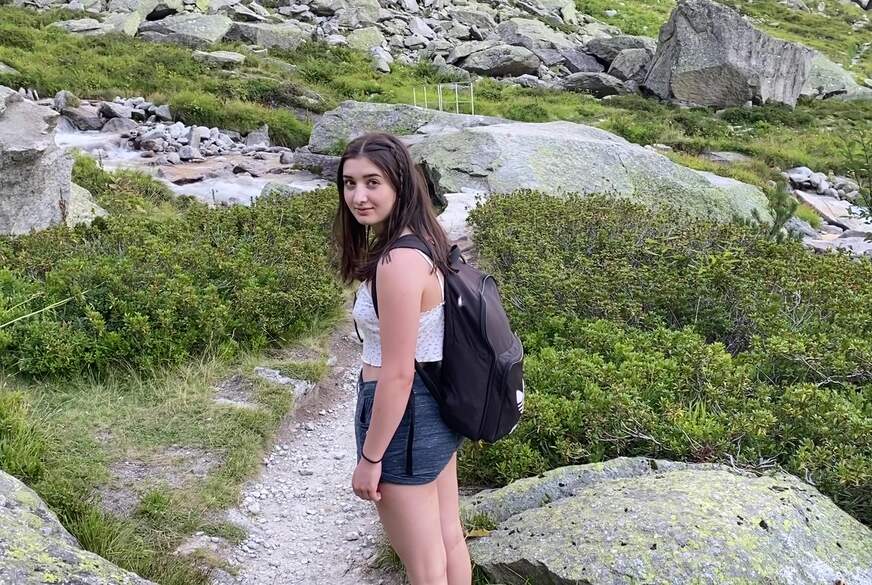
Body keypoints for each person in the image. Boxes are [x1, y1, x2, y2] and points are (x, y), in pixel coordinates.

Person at [332, 132, 472, 585]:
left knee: (424, 563)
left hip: (402, 418)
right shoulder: (424, 240)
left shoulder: (397, 264)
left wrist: (371, 458)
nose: (358, 196)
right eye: (349, 183)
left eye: (372, 182)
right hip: (434, 408)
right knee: (447, 539)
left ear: (399, 184)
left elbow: (397, 374)